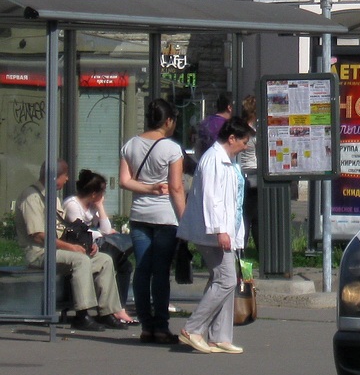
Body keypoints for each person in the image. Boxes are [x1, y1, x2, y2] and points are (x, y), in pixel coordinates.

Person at [14, 160, 125, 331]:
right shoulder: (32, 197)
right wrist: (71, 248)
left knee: (104, 260)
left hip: (58, 250)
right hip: (39, 253)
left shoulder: (53, 197)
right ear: (54, 177)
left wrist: (84, 245)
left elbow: (61, 231)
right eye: (65, 176)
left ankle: (106, 312)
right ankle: (82, 314)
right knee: (80, 260)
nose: (66, 180)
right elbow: (38, 235)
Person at [177, 117, 254, 355]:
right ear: (231, 139)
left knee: (222, 280)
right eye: (243, 142)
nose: (245, 147)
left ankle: (219, 336)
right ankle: (193, 328)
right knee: (226, 279)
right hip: (212, 232)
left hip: (223, 230)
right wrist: (220, 230)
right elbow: (212, 198)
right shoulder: (213, 160)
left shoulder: (227, 162)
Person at [119, 99, 187, 344]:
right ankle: (161, 326)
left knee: (142, 271)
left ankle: (146, 326)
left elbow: (124, 181)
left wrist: (147, 188)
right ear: (168, 121)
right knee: (160, 273)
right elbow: (176, 187)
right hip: (166, 217)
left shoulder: (130, 145)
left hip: (139, 215)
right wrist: (185, 219)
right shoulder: (171, 149)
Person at [64, 169, 136, 320]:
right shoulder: (72, 205)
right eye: (102, 193)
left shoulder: (91, 207)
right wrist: (102, 233)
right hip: (80, 246)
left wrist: (100, 208)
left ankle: (119, 307)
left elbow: (105, 228)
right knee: (117, 258)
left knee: (125, 265)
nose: (104, 197)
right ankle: (115, 308)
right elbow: (80, 231)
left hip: (93, 244)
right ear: (94, 194)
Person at [237, 94, 260, 251]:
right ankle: (251, 249)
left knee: (245, 216)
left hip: (241, 173)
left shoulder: (239, 128)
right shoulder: (252, 132)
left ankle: (241, 249)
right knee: (253, 217)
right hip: (252, 175)